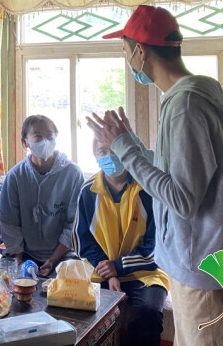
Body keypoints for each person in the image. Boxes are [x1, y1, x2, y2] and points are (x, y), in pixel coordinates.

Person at [86, 5, 223, 346]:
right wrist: (129, 145)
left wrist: (126, 150)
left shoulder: (186, 105)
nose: (129, 61)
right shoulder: (192, 96)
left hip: (203, 265)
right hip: (206, 262)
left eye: (127, 52)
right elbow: (176, 173)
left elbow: (182, 199)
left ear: (141, 52)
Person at [74, 136, 168, 346]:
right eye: (103, 151)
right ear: (95, 154)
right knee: (79, 309)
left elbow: (157, 246)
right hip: (100, 270)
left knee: (149, 313)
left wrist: (118, 267)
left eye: (115, 151)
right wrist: (109, 271)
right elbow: (82, 242)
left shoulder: (148, 189)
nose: (110, 157)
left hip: (145, 272)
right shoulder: (87, 191)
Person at [0, 115, 83, 277]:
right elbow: (10, 223)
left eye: (49, 136)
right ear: (25, 142)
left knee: (66, 284)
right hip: (23, 252)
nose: (45, 141)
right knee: (10, 282)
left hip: (63, 253)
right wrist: (19, 261)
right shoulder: (15, 176)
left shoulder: (73, 174)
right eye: (38, 136)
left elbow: (74, 224)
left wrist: (53, 260)